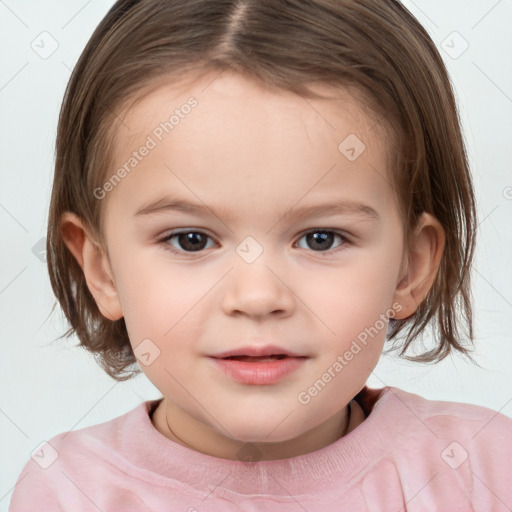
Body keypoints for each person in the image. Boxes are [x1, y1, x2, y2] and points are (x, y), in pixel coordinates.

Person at [10, 0, 512, 510]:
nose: (256, 297)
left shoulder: (480, 470)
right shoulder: (68, 491)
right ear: (101, 269)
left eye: (321, 238)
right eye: (191, 240)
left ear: (411, 267)